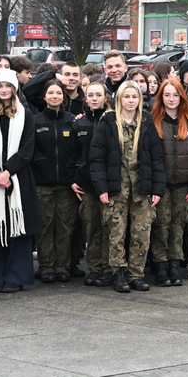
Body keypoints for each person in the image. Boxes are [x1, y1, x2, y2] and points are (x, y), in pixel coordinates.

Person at [91, 80, 164, 293]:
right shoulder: (108, 122)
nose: (131, 101)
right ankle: (118, 272)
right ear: (119, 99)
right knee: (116, 232)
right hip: (116, 189)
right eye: (127, 97)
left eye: (134, 97)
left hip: (142, 189)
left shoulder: (147, 122)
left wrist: (157, 189)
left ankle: (136, 274)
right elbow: (97, 158)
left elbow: (157, 159)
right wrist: (102, 188)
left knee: (142, 233)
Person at [0, 69, 41, 293]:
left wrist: (8, 171)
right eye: (0, 86)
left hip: (18, 178)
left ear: (14, 88)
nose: (4, 90)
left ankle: (15, 276)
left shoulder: (25, 114)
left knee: (17, 230)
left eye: (8, 86)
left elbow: (27, 149)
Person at [150, 77, 188, 287]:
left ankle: (174, 265)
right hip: (161, 186)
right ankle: (160, 266)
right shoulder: (153, 121)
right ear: (161, 97)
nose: (171, 99)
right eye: (167, 95)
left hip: (183, 186)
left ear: (181, 97)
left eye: (175, 95)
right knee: (161, 226)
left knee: (177, 227)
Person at [31, 81, 79, 283]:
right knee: (44, 226)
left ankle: (62, 266)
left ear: (63, 96)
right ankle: (46, 266)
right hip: (42, 183)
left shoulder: (72, 120)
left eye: (58, 93)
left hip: (67, 185)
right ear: (44, 96)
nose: (54, 96)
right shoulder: (35, 121)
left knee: (65, 226)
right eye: (50, 92)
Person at [74, 81, 113, 285]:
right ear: (86, 98)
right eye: (91, 95)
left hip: (109, 184)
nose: (95, 98)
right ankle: (94, 268)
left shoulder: (113, 120)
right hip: (87, 185)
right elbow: (71, 154)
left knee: (109, 228)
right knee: (92, 228)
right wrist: (72, 180)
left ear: (105, 98)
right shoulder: (79, 123)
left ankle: (108, 267)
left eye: (98, 95)